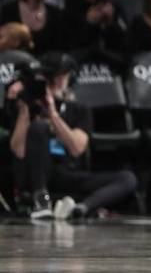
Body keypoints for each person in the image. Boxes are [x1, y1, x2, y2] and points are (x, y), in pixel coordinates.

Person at [7, 52, 137, 220]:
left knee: (127, 178)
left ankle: (81, 208)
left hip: (67, 172)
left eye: (61, 77)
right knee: (38, 127)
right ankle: (42, 201)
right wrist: (25, 111)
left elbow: (77, 148)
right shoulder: (25, 108)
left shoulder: (79, 110)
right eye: (50, 78)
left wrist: (53, 115)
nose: (56, 83)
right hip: (35, 174)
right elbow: (18, 151)